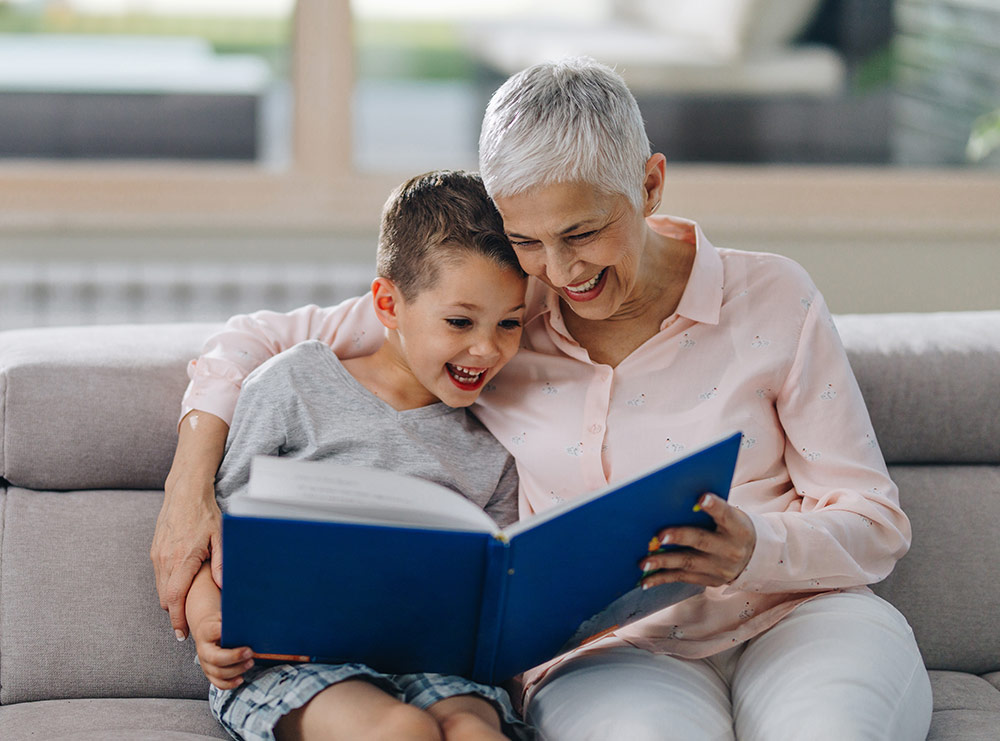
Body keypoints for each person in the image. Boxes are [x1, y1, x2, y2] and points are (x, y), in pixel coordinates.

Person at [154, 58, 933, 739]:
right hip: (619, 653)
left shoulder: (773, 296)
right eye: (528, 240)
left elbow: (876, 520)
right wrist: (189, 490)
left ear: (650, 184)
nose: (559, 273)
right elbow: (255, 341)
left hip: (799, 619)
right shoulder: (499, 317)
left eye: (582, 232)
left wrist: (755, 546)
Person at [181, 170, 534, 741]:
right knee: (401, 732)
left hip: (434, 665)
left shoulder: (491, 444)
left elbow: (491, 591)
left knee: (475, 733)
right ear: (388, 304)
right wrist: (207, 624)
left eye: (510, 323)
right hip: (291, 664)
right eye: (460, 321)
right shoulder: (294, 383)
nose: (487, 349)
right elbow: (212, 534)